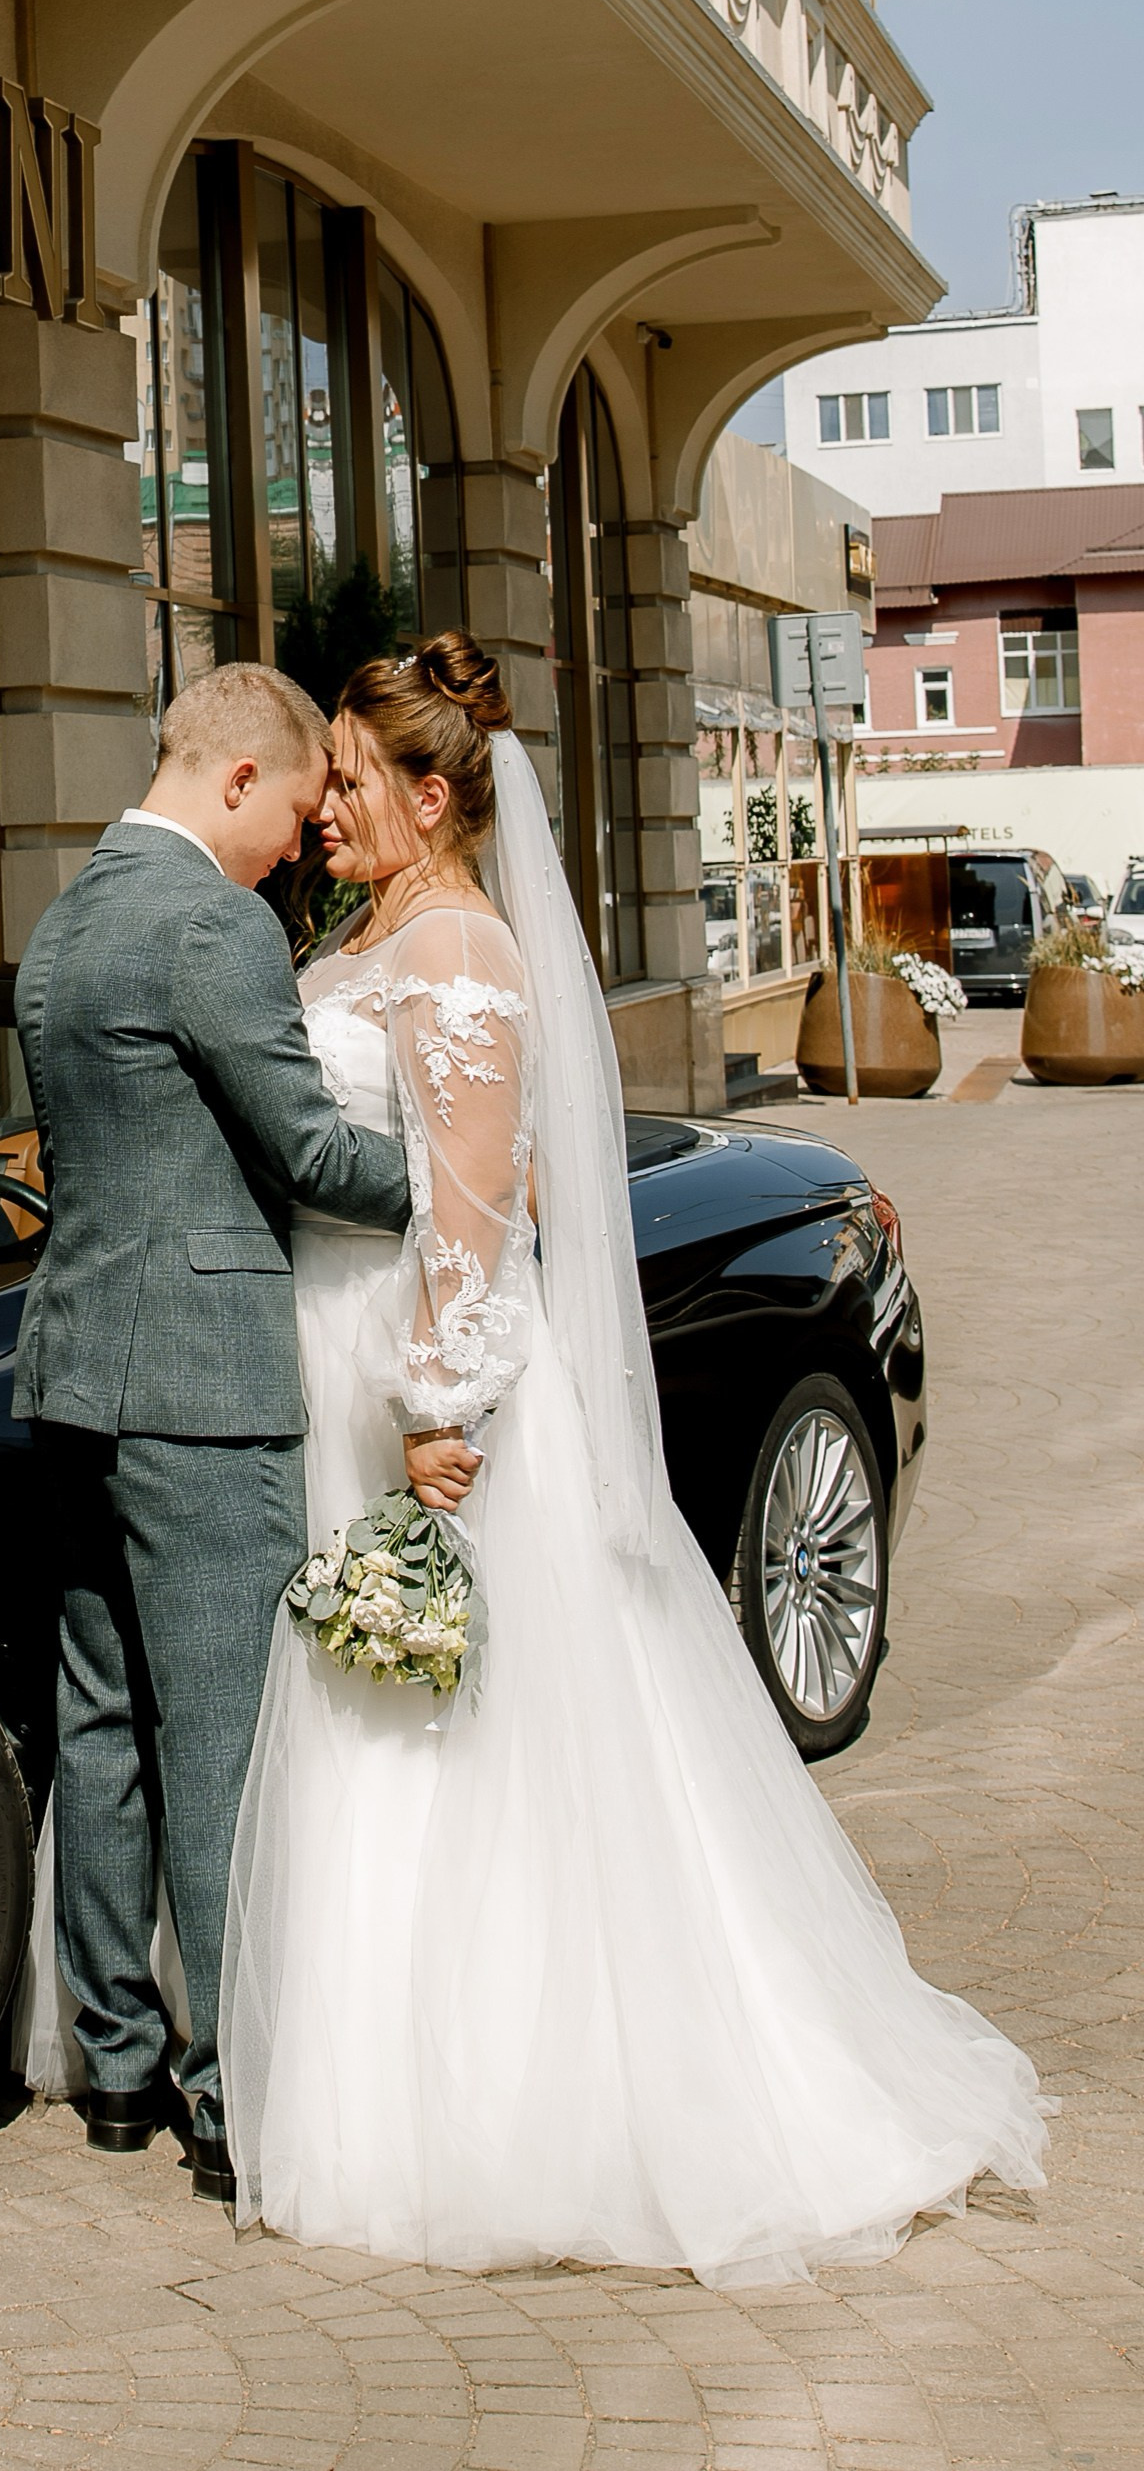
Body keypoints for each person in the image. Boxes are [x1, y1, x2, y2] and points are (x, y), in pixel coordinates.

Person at [220, 631, 1048, 2286]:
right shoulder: (382, 925)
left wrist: (440, 1403)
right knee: (385, 1718)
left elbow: (474, 1200)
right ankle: (382, 2076)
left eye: (356, 784)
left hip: (426, 1397)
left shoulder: (457, 951)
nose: (325, 809)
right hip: (348, 1363)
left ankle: (497, 2107)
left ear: (435, 794)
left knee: (461, 1730)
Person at [13, 659, 414, 2204]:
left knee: (103, 1722)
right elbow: (311, 1152)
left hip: (72, 1373)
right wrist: (457, 1191)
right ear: (238, 778)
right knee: (226, 1742)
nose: (294, 849)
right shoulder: (209, 922)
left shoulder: (65, 919)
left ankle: (115, 2061)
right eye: (296, 812)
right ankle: (234, 2091)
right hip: (198, 1383)